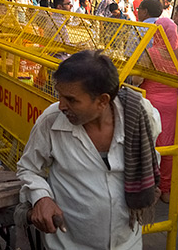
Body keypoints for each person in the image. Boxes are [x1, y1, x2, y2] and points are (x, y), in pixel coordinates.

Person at [16, 50, 161, 250]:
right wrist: (41, 198)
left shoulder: (141, 117)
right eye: (60, 96)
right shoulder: (51, 122)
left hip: (127, 243)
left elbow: (151, 157)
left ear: (102, 101)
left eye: (71, 99)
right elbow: (28, 168)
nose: (61, 106)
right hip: (67, 244)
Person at [141, 18, 178, 203]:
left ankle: (149, 186)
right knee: (169, 145)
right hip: (174, 103)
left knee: (150, 144)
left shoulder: (150, 52)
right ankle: (166, 189)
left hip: (151, 102)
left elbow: (138, 79)